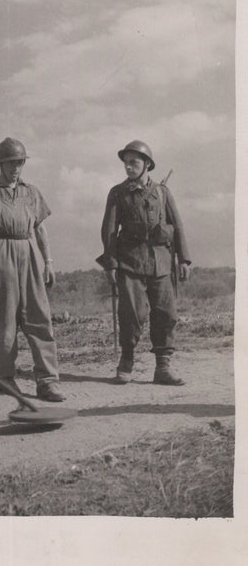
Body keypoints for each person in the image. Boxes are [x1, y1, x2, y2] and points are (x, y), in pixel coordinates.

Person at [0, 137, 65, 402]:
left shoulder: (32, 192)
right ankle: (6, 376)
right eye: (10, 163)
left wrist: (48, 261)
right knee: (4, 320)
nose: (15, 168)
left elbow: (40, 228)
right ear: (0, 164)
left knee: (39, 316)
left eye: (20, 163)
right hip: (0, 253)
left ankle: (47, 380)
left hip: (29, 251)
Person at [98, 140, 191, 385]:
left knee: (165, 314)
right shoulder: (118, 193)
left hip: (161, 262)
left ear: (147, 164)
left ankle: (163, 367)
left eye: (134, 163)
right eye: (126, 163)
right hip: (130, 264)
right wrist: (111, 263)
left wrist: (184, 259)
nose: (128, 167)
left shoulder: (162, 192)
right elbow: (108, 230)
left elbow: (177, 225)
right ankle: (126, 362)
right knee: (131, 314)